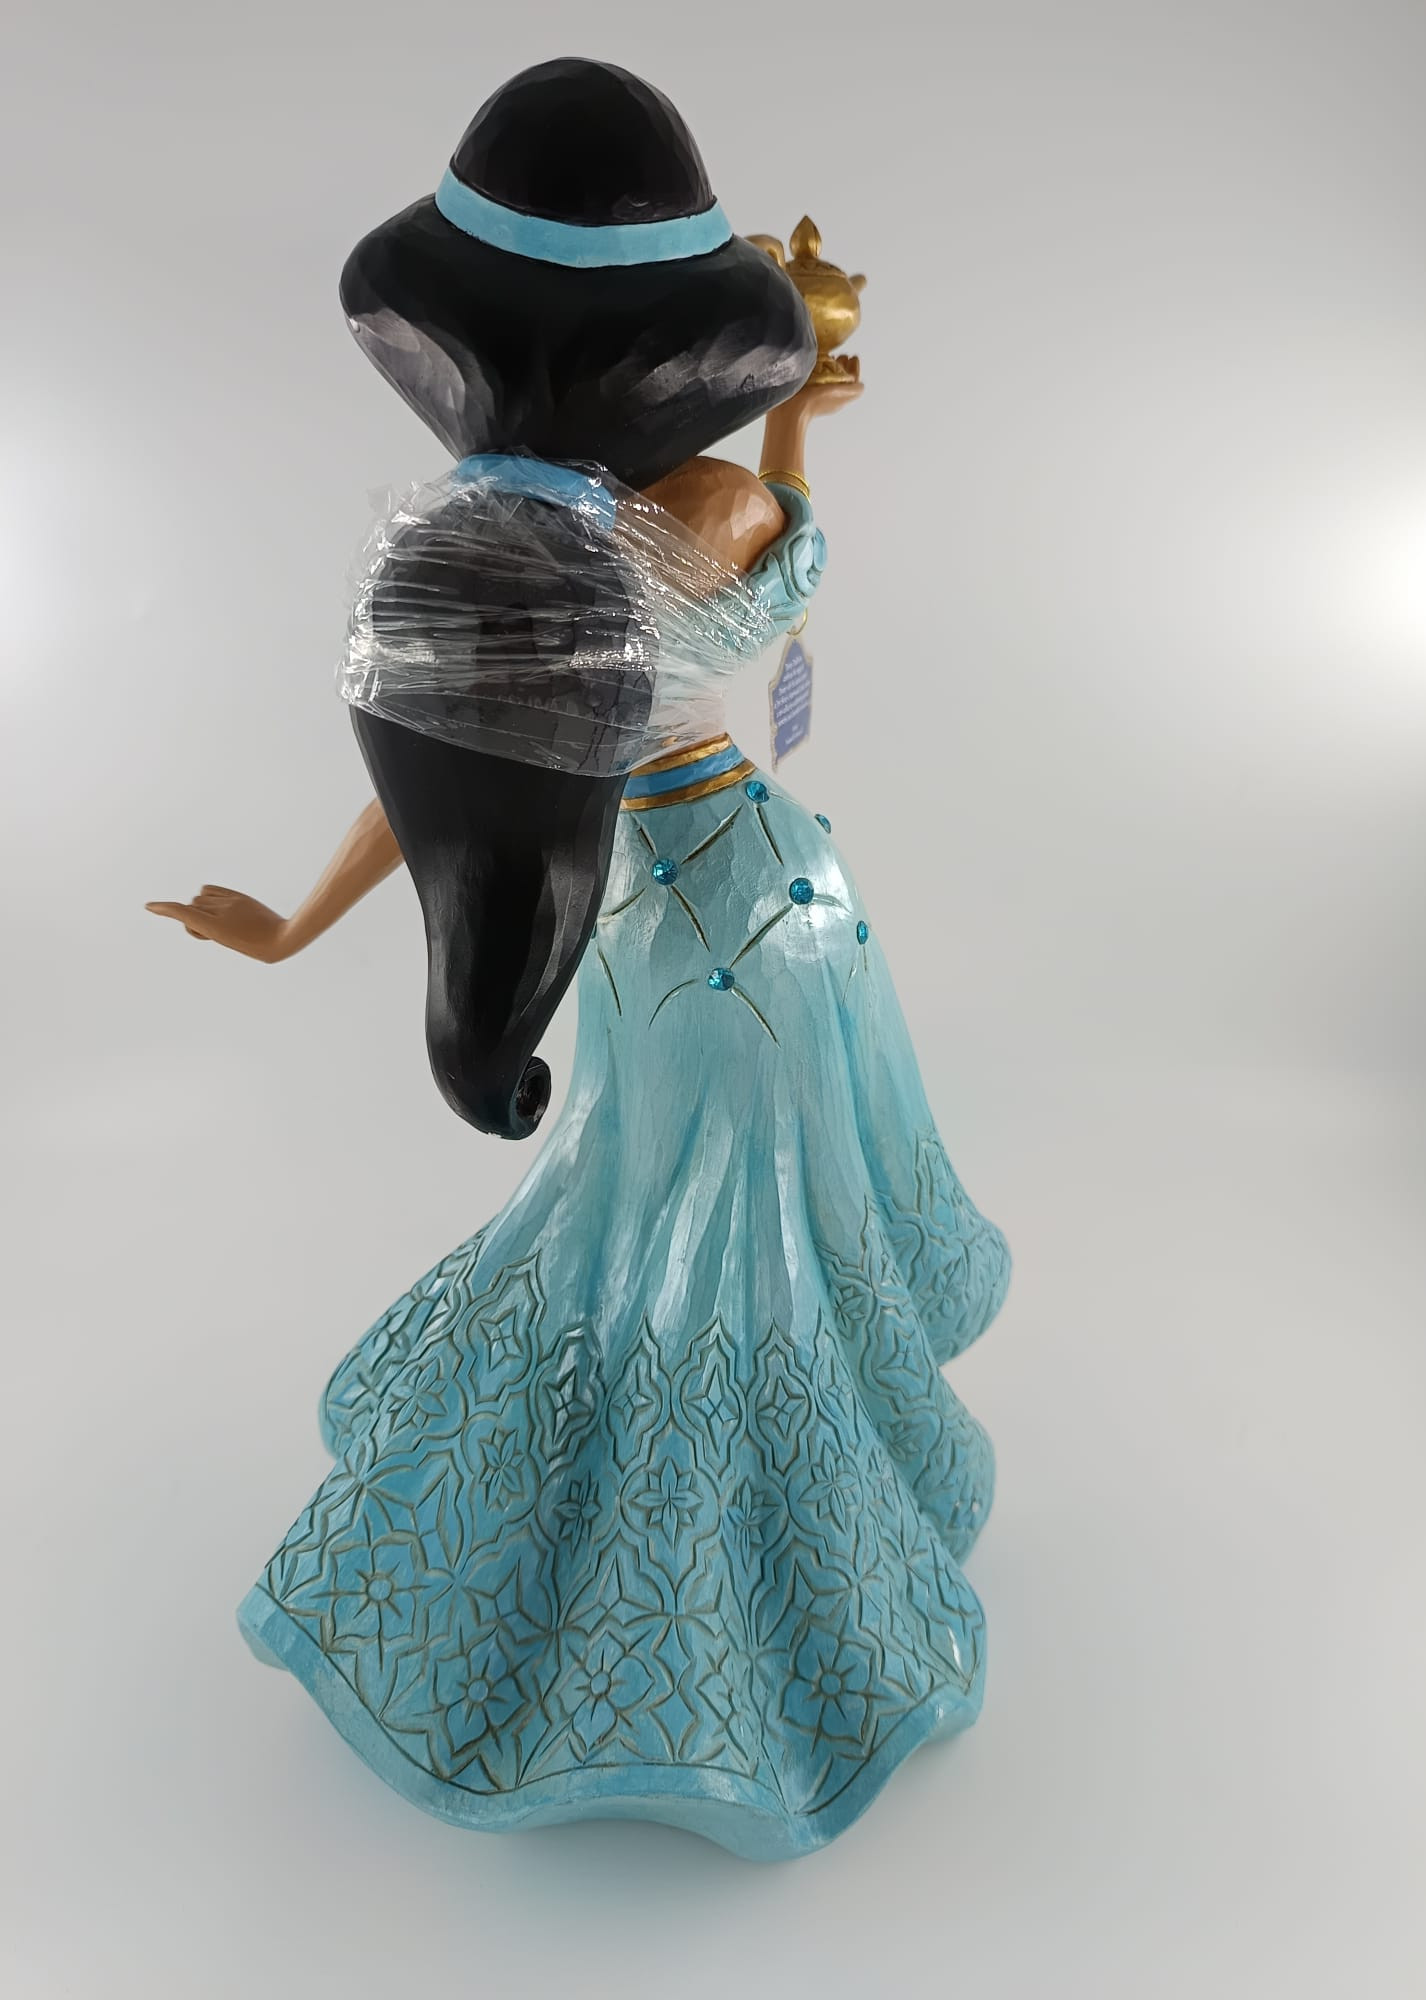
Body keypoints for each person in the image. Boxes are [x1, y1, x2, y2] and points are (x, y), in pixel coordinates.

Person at [149, 58, 1010, 1860]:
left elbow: (454, 781)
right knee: (727, 1250)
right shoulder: (705, 509)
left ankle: (621, 1580)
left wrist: (292, 927)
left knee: (648, 1229)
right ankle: (740, 1599)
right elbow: (776, 575)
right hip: (759, 908)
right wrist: (798, 426)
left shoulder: (475, 544)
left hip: (640, 930)